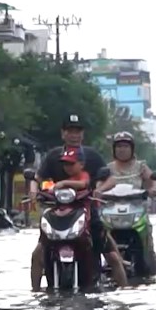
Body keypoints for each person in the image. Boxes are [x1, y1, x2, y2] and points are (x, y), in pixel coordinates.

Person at [29, 115, 128, 289]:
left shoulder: (91, 156)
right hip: (56, 214)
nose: (74, 135)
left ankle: (125, 293)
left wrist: (99, 190)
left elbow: (110, 179)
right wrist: (33, 191)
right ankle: (35, 294)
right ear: (63, 134)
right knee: (37, 254)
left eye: (78, 131)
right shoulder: (53, 156)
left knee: (112, 256)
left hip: (88, 212)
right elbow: (37, 178)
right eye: (70, 131)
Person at [95, 131, 156, 275]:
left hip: (136, 210)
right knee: (97, 235)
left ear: (132, 149)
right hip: (111, 211)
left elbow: (153, 179)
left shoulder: (141, 167)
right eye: (118, 147)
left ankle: (152, 271)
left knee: (148, 242)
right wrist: (98, 191)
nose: (122, 150)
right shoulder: (108, 168)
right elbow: (99, 185)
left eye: (125, 146)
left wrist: (153, 189)